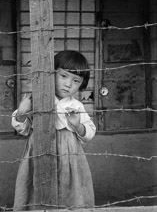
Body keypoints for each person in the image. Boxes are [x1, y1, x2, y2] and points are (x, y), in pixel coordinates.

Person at [12, 50, 96, 211]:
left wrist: (77, 125)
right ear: (51, 74)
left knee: (70, 189)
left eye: (76, 81)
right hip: (39, 151)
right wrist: (22, 112)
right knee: (35, 186)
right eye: (63, 76)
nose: (68, 84)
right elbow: (23, 130)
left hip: (69, 154)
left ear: (82, 84)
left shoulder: (77, 105)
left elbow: (89, 133)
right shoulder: (36, 100)